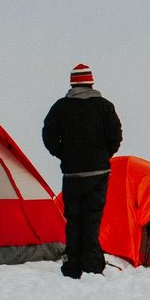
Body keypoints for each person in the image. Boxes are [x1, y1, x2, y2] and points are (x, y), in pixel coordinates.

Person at [40, 63, 122, 278]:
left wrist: (62, 154)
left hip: (72, 174)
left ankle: (72, 266)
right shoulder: (104, 106)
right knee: (92, 220)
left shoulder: (60, 107)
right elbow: (115, 136)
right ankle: (92, 266)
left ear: (72, 83)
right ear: (91, 82)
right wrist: (104, 155)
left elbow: (48, 135)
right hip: (98, 173)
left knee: (74, 220)